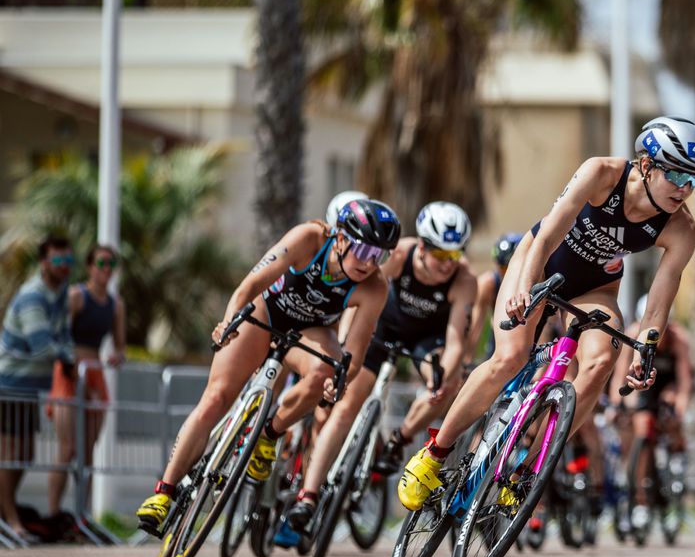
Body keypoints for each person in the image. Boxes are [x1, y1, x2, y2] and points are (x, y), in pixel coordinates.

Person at [394, 115, 695, 513]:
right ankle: (434, 454)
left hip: (595, 288)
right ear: (646, 164)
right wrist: (525, 286)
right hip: (541, 263)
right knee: (510, 356)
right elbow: (547, 234)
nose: (685, 189)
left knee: (599, 362)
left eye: (694, 180)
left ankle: (527, 469)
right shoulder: (601, 173)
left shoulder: (683, 228)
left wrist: (644, 351)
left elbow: (661, 297)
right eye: (678, 174)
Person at [135, 199, 401, 533]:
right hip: (267, 311)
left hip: (309, 329)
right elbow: (251, 285)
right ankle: (165, 491)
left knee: (328, 371)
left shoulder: (375, 286)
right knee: (217, 397)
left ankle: (268, 433)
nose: (370, 263)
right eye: (364, 251)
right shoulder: (309, 238)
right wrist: (230, 319)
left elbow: (355, 350)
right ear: (341, 237)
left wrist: (340, 382)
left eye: (380, 256)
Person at [282, 201, 477, 534]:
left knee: (445, 386)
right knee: (344, 408)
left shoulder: (464, 280)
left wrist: (441, 378)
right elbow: (358, 296)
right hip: (381, 329)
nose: (448, 264)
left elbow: (455, 341)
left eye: (455, 255)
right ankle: (309, 496)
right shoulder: (398, 255)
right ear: (423, 246)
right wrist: (343, 347)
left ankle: (398, 441)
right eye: (441, 255)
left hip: (426, 340)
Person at [0, 234, 75, 543]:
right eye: (57, 260)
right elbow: (43, 347)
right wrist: (70, 358)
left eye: (68, 261)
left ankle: (9, 514)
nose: (63, 267)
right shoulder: (33, 295)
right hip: (9, 385)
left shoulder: (60, 295)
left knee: (25, 454)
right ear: (44, 262)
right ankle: (12, 522)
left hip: (28, 389)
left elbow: (64, 338)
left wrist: (67, 354)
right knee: (11, 454)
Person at [46, 243, 127, 521]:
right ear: (90, 267)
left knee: (88, 453)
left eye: (111, 264)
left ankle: (82, 517)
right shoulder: (76, 296)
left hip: (94, 374)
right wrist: (71, 365)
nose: (106, 269)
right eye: (101, 263)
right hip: (70, 373)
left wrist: (117, 357)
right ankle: (54, 515)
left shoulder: (116, 305)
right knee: (66, 448)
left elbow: (120, 347)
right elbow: (57, 333)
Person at [612, 293, 693, 530]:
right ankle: (641, 500)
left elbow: (685, 380)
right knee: (642, 427)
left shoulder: (679, 339)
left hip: (669, 384)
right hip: (645, 385)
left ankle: (677, 454)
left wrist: (680, 407)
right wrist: (622, 402)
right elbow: (621, 374)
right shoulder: (633, 333)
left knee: (671, 410)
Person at [468, 232, 523, 359]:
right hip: (501, 337)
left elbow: (547, 328)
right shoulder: (488, 283)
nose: (506, 275)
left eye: (510, 269)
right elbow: (475, 326)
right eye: (502, 269)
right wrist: (467, 360)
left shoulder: (534, 281)